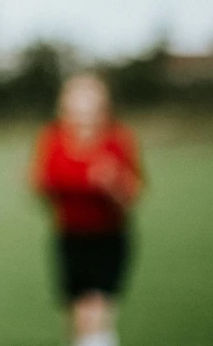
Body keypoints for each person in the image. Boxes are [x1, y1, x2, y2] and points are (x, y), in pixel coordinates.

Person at [30, 74, 144, 346]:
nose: (81, 101)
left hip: (107, 238)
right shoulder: (54, 138)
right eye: (75, 94)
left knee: (95, 311)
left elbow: (131, 195)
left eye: (88, 94)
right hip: (68, 236)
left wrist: (112, 183)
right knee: (77, 316)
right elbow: (42, 185)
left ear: (102, 101)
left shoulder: (117, 139)